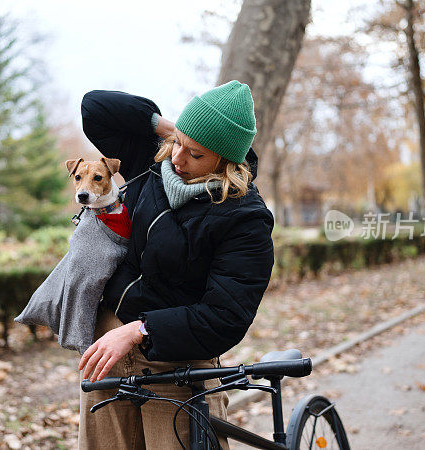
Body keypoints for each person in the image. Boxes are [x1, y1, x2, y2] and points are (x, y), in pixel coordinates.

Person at [77, 80, 275, 449]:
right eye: (178, 143)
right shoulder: (150, 163)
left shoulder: (245, 218)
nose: (178, 159)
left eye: (196, 154)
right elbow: (96, 107)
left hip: (178, 368)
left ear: (226, 160)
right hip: (109, 355)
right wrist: (178, 129)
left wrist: (141, 330)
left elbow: (225, 316)